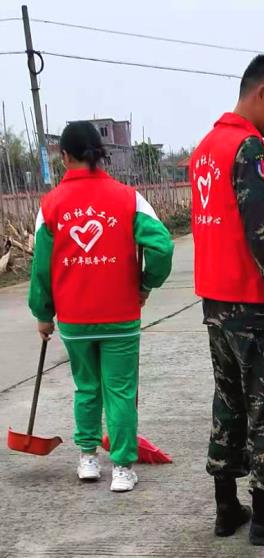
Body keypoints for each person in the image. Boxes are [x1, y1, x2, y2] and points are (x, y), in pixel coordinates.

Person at [191, 54, 264, 545]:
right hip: (254, 300)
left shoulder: (204, 148)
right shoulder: (248, 148)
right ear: (263, 91)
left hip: (215, 302)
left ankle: (226, 505)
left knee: (229, 398)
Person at [28, 120, 174, 492]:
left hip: (75, 319)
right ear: (101, 155)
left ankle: (88, 459)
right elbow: (161, 246)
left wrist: (44, 313)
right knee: (120, 390)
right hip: (120, 315)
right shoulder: (129, 198)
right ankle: (123, 468)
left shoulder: (51, 205)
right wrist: (145, 284)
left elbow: (41, 266)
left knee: (87, 387)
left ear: (63, 157)